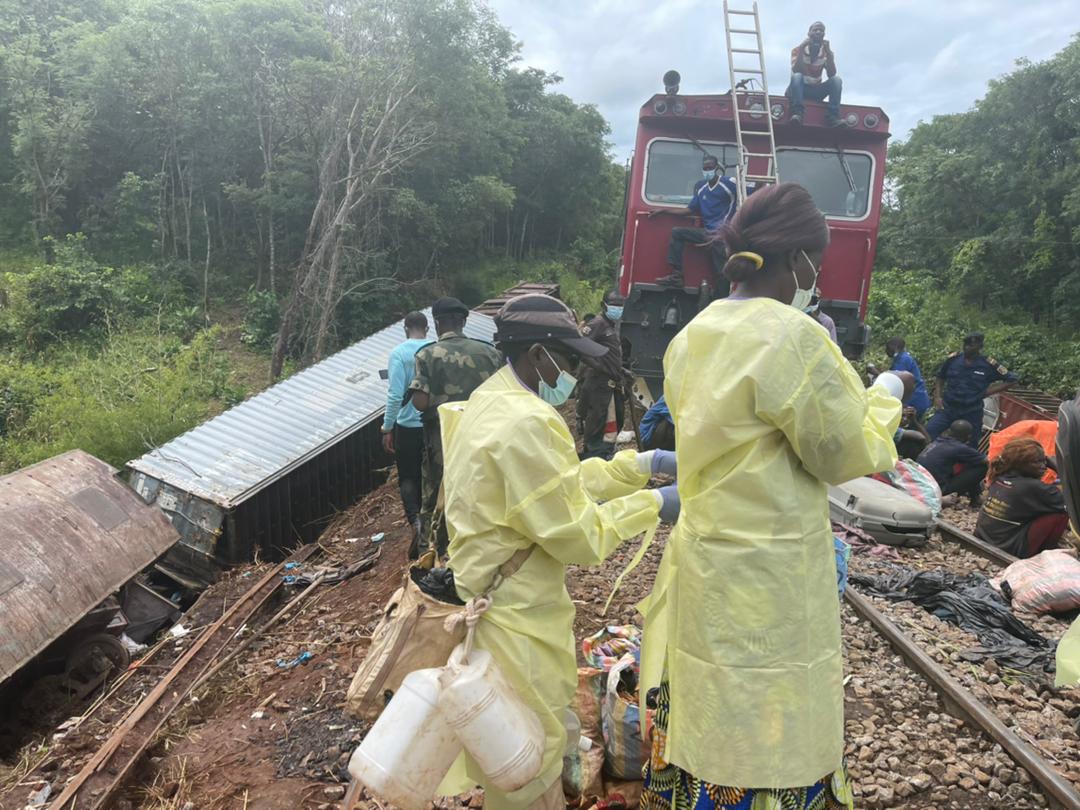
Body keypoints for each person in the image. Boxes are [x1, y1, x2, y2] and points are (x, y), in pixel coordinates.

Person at [639, 183, 907, 810]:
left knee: (712, 686)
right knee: (775, 696)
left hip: (707, 560)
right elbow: (842, 452)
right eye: (818, 259)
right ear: (801, 259)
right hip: (774, 569)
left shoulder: (692, 335)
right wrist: (887, 393)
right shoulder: (794, 338)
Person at [438, 293, 679, 810]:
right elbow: (578, 533)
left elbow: (554, 487)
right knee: (529, 751)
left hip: (494, 598)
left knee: (509, 742)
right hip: (517, 618)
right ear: (539, 353)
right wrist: (654, 504)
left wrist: (637, 466)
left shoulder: (494, 397)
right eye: (568, 358)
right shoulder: (526, 422)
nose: (571, 370)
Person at [409, 297, 500, 558]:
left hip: (442, 439)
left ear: (437, 323)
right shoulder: (490, 353)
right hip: (484, 434)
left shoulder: (427, 355)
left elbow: (420, 402)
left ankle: (434, 552)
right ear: (463, 321)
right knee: (482, 485)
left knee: (437, 491)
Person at [381, 311, 433, 547]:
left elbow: (394, 395)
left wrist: (387, 427)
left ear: (405, 328)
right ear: (427, 328)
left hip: (408, 427)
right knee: (434, 472)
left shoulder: (399, 354)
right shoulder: (436, 347)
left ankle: (416, 523)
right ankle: (434, 521)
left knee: (409, 476)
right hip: (435, 422)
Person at [649, 154, 738, 289]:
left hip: (722, 234)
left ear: (716, 168)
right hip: (707, 233)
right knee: (677, 233)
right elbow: (689, 210)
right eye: (705, 168)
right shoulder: (702, 188)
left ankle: (722, 298)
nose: (707, 171)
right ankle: (677, 275)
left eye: (710, 167)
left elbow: (751, 189)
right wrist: (663, 210)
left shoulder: (729, 183)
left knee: (721, 273)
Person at [976, 437, 1067, 558]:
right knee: (1061, 514)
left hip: (983, 537)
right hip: (1009, 548)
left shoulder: (1000, 476)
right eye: (1037, 462)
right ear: (1021, 464)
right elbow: (1073, 499)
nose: (1044, 466)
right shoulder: (1034, 487)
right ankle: (1042, 553)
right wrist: (1057, 467)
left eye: (1044, 461)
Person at [926, 332, 1018, 447]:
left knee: (971, 443)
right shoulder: (953, 360)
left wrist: (987, 392)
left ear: (980, 346)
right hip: (949, 407)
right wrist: (937, 397)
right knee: (928, 433)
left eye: (971, 345)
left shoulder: (988, 364)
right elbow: (940, 377)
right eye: (965, 344)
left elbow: (1011, 380)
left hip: (971, 411)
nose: (967, 348)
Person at [577, 291, 627, 460]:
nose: (618, 309)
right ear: (603, 305)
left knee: (614, 417)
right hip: (598, 381)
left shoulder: (611, 325)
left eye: (620, 306)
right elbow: (579, 346)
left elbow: (609, 354)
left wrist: (620, 370)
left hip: (611, 382)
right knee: (597, 419)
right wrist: (599, 366)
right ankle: (593, 454)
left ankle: (604, 450)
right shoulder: (597, 323)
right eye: (614, 305)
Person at [917, 420, 989, 507]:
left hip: (920, 483)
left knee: (972, 461)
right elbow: (987, 460)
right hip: (937, 489)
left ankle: (975, 496)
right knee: (982, 466)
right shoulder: (959, 448)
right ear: (968, 437)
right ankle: (975, 499)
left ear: (949, 431)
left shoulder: (938, 440)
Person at [788, 22, 844, 127]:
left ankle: (832, 116)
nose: (818, 32)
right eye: (815, 30)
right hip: (799, 89)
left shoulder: (826, 53)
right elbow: (797, 70)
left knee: (837, 80)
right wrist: (802, 48)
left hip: (815, 90)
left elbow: (831, 74)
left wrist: (829, 53)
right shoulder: (797, 50)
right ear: (809, 33)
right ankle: (797, 113)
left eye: (821, 30)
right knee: (797, 77)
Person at [887, 337, 931, 420]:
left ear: (895, 347)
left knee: (909, 425)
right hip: (915, 398)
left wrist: (875, 372)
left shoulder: (903, 359)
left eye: (888, 347)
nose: (886, 350)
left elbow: (895, 380)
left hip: (914, 399)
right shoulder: (901, 358)